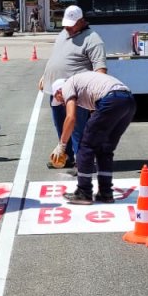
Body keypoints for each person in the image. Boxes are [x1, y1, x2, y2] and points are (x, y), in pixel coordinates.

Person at [50, 72, 136, 205]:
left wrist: (61, 145)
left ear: (59, 91)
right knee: (105, 149)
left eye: (59, 99)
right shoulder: (85, 88)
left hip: (111, 100)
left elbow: (70, 117)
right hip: (128, 101)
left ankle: (84, 192)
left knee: (86, 146)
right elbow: (96, 114)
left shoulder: (67, 86)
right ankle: (105, 193)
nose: (61, 103)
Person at [39, 5, 107, 168]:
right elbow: (57, 57)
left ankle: (84, 163)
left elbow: (100, 70)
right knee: (60, 124)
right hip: (55, 91)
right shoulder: (64, 33)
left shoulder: (93, 39)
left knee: (78, 130)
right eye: (66, 24)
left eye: (71, 24)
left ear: (82, 21)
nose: (67, 27)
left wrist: (96, 99)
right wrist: (45, 76)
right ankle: (67, 156)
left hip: (76, 93)